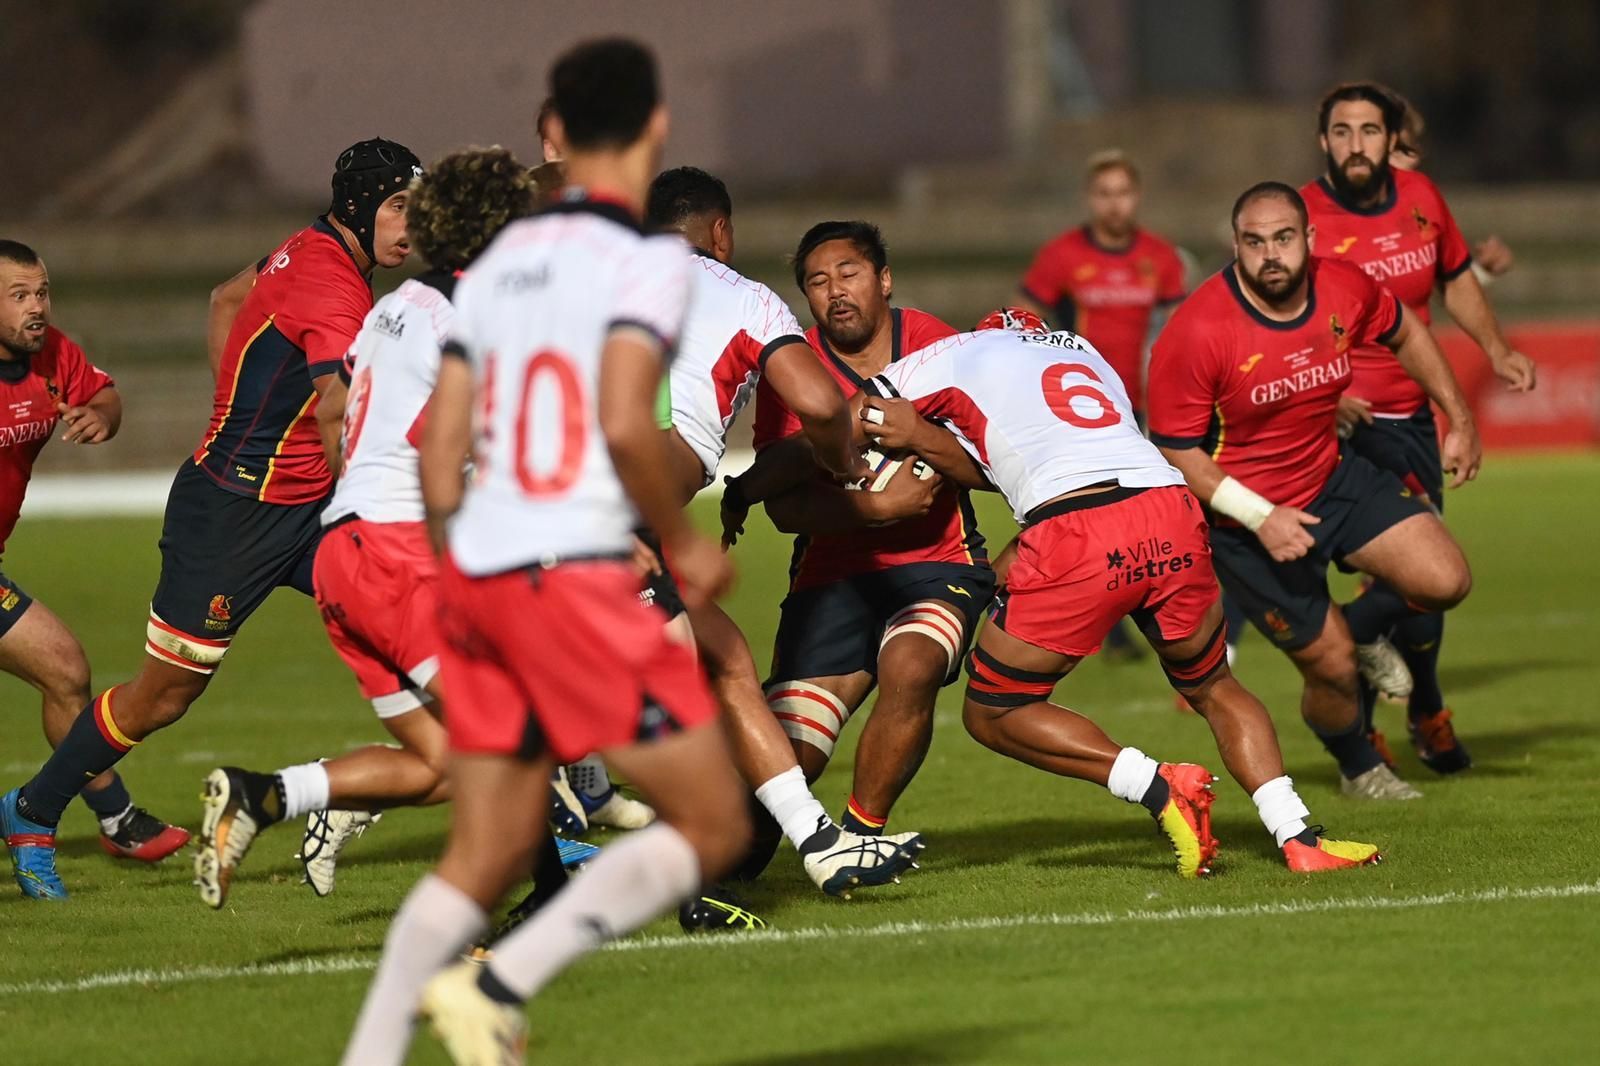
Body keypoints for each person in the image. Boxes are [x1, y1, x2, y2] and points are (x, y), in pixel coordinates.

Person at [342, 40, 748, 1064]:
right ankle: (499, 982)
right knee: (712, 823)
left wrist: (462, 565)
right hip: (570, 576)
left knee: (483, 853)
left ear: (553, 133)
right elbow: (623, 419)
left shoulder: (490, 269)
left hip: (475, 578)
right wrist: (682, 540)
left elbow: (440, 453)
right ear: (653, 128)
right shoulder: (647, 261)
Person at [1, 138, 420, 900]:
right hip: (232, 517)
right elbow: (335, 403)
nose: (410, 225)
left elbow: (227, 296)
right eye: (398, 207)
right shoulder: (336, 288)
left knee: (417, 627)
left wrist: (232, 415)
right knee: (163, 696)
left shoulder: (307, 247)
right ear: (361, 206)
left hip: (303, 509)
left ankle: (527, 831)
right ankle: (32, 808)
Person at [857, 308, 1380, 874]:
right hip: (1168, 509)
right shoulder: (1087, 354)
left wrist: (900, 445)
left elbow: (866, 409)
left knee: (996, 711)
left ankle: (1156, 786)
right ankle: (1298, 836)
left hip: (1078, 530)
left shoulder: (966, 352)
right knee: (1214, 685)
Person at [191, 146, 580, 907]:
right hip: (400, 554)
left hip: (344, 551)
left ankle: (265, 796)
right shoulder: (482, 315)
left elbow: (342, 414)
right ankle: (529, 904)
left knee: (443, 763)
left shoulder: (395, 309)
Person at [1147, 182, 1480, 801]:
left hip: (1333, 479)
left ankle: (1356, 626)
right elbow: (1173, 449)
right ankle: (1358, 766)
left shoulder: (1344, 285)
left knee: (1445, 580)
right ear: (1235, 246)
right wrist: (1261, 515)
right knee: (1330, 668)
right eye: (1254, 242)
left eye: (1283, 238)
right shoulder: (1198, 329)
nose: (1270, 254)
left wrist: (1456, 414)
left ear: (1310, 240)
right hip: (1242, 524)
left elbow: (1405, 329)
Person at [643, 170, 927, 895]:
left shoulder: (593, 275)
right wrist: (847, 467)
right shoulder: (743, 296)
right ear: (722, 232)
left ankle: (812, 842)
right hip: (618, 515)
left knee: (724, 663)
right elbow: (819, 404)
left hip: (540, 499)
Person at [725, 219, 992, 861]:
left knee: (912, 662)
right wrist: (875, 508)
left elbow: (987, 467)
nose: (835, 291)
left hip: (937, 564)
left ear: (884, 279)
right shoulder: (793, 367)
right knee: (790, 759)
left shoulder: (938, 345)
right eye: (818, 282)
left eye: (849, 274)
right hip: (832, 574)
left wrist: (919, 437)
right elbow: (786, 508)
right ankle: (719, 871)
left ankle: (861, 837)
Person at [1301, 82, 1537, 772]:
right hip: (1338, 428)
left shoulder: (1423, 200)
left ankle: (1411, 696)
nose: (1358, 147)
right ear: (1326, 140)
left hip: (1410, 420)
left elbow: (1454, 276)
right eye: (1342, 132)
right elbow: (1280, 313)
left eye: (1372, 133)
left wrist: (1495, 349)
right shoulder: (1304, 216)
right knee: (1413, 571)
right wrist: (1323, 393)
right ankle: (1384, 726)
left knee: (1420, 582)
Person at [0, 241, 187, 869]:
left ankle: (115, 818)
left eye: (41, 292)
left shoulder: (52, 354)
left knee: (65, 671)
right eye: (19, 296)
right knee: (64, 668)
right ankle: (107, 819)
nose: (36, 308)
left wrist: (101, 417)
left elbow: (106, 395)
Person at [1017, 150, 1188, 659]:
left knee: (1141, 512)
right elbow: (1022, 319)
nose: (1115, 204)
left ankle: (1128, 612)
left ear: (1137, 197)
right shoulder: (1062, 256)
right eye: (1104, 194)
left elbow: (1178, 333)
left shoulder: (1161, 258)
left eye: (1123, 193)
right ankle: (1092, 620)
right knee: (1082, 511)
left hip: (1136, 406)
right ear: (1090, 199)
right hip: (1076, 409)